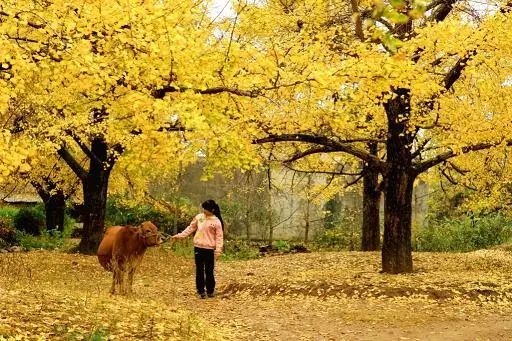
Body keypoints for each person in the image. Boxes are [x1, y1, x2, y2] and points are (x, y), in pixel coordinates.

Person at [172, 199, 224, 298]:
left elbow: (219, 237)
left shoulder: (217, 222)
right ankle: (201, 291)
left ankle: (210, 290)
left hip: (209, 250)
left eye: (206, 209)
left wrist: (218, 250)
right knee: (199, 270)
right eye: (203, 209)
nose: (204, 211)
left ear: (212, 210)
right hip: (198, 248)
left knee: (209, 271)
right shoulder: (199, 217)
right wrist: (180, 235)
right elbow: (191, 228)